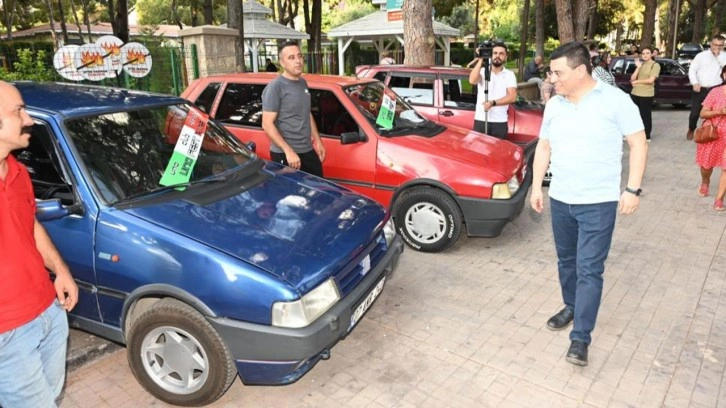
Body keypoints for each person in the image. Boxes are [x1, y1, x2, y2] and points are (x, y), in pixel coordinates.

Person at [530, 42, 648, 367]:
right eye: (552, 73)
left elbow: (638, 143)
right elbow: (544, 146)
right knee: (566, 261)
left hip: (598, 203)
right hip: (561, 199)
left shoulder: (615, 101)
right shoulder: (555, 105)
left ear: (580, 71)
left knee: (589, 270)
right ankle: (570, 305)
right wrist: (537, 186)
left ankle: (580, 338)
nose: (552, 78)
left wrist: (633, 189)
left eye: (558, 72)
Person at [0, 81, 79, 407]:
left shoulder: (17, 171)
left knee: (50, 397)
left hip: (49, 312)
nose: (29, 119)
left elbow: (28, 225)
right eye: (18, 110)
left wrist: (60, 271)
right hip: (8, 333)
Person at [262, 41, 326, 177]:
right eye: (291, 58)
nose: (298, 61)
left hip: (307, 149)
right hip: (286, 155)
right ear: (282, 63)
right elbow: (267, 124)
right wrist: (288, 151)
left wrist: (318, 141)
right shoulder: (275, 87)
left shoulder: (302, 82)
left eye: (299, 56)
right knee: (292, 197)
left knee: (317, 191)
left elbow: (306, 113)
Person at [468, 42, 517, 139]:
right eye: (495, 53)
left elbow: (512, 97)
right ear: (491, 54)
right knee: (479, 151)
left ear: (506, 57)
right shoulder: (482, 71)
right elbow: (472, 81)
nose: (497, 56)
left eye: (501, 54)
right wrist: (481, 58)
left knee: (498, 152)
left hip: (500, 121)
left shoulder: (509, 75)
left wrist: (493, 103)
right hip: (481, 119)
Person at [696, 65, 726, 210]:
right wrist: (719, 111)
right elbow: (702, 113)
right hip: (713, 133)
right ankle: (705, 182)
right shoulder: (715, 92)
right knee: (706, 165)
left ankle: (719, 200)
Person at [687, 35, 726, 140]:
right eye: (715, 44)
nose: (717, 47)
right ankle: (691, 128)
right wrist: (695, 83)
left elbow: (725, 70)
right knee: (695, 113)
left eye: (720, 45)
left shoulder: (724, 56)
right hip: (700, 88)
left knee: (715, 113)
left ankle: (713, 132)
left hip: (716, 89)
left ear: (723, 46)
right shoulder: (701, 56)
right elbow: (692, 70)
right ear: (710, 43)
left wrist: (718, 56)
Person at [630, 46, 660, 141]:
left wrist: (637, 82)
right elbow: (632, 78)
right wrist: (638, 68)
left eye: (647, 53)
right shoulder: (641, 64)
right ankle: (633, 135)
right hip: (635, 93)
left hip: (646, 94)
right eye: (643, 53)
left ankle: (647, 136)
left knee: (645, 115)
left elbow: (651, 80)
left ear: (651, 54)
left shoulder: (655, 65)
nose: (645, 55)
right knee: (633, 115)